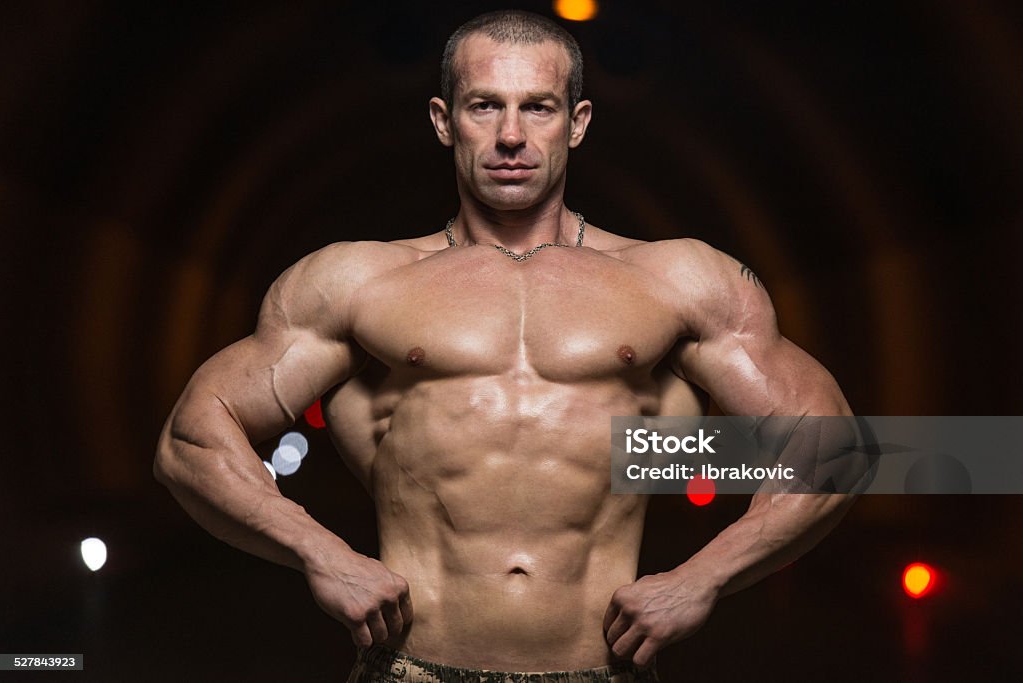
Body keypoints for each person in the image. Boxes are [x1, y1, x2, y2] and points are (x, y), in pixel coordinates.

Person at [155, 10, 856, 682]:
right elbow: (191, 439)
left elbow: (833, 447)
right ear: (443, 120)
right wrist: (319, 550)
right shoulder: (356, 282)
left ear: (577, 124)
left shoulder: (675, 281)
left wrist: (703, 576)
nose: (511, 135)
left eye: (539, 107)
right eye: (484, 105)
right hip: (410, 670)